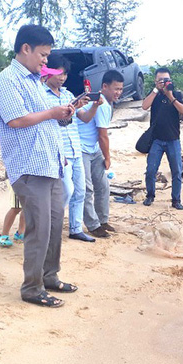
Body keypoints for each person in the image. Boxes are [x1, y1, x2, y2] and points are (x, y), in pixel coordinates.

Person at [0, 24, 78, 308]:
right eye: (43, 54)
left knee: (53, 226)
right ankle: (32, 288)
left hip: (51, 164)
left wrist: (62, 115)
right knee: (38, 229)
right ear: (25, 49)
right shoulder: (6, 80)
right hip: (29, 167)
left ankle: (50, 277)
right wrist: (52, 112)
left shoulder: (35, 81)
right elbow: (16, 120)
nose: (45, 61)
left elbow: (46, 121)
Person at [42, 55, 101, 243]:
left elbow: (84, 118)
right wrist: (73, 107)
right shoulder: (42, 95)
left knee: (80, 191)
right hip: (60, 151)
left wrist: (94, 106)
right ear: (48, 72)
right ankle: (50, 226)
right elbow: (57, 121)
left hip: (76, 149)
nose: (62, 77)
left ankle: (75, 228)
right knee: (65, 191)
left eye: (65, 73)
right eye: (59, 72)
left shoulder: (68, 94)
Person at [75, 69, 124, 238]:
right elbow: (103, 135)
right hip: (82, 149)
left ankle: (102, 220)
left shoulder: (107, 104)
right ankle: (93, 225)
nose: (118, 92)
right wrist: (108, 158)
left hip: (93, 149)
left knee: (103, 186)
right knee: (87, 188)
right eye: (115, 89)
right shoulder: (102, 105)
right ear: (104, 86)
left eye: (120, 89)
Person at [141, 67, 183, 209]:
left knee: (176, 171)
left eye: (166, 80)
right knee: (151, 170)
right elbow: (144, 106)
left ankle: (176, 200)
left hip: (173, 139)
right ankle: (150, 195)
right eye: (160, 80)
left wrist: (170, 96)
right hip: (156, 139)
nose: (163, 82)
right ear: (156, 81)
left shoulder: (177, 94)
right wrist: (156, 89)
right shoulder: (154, 95)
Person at [0, 179, 26, 247]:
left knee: (27, 206)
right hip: (15, 177)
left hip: (28, 177)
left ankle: (21, 232)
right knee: (16, 208)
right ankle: (4, 235)